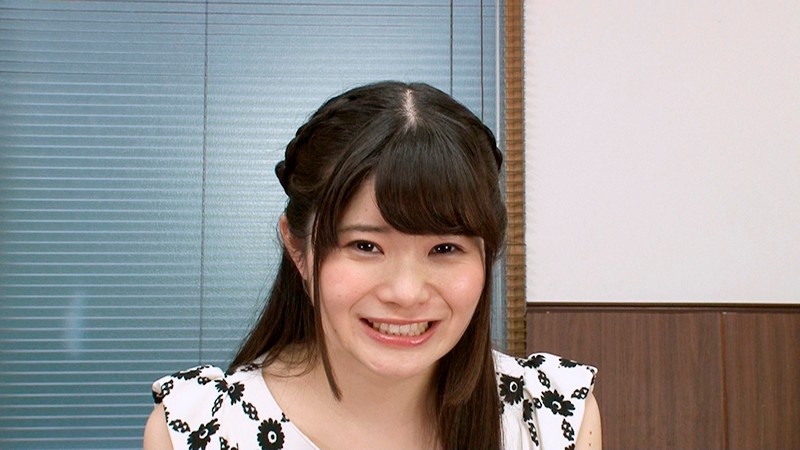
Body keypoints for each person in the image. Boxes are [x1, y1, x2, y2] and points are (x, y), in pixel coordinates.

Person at [143, 81, 601, 450]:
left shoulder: (551, 418)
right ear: (297, 248)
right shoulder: (199, 429)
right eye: (365, 245)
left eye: (445, 249)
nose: (406, 292)